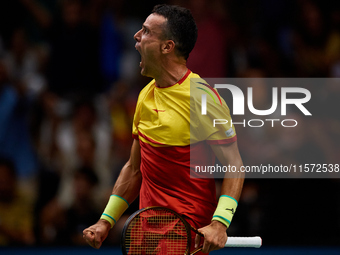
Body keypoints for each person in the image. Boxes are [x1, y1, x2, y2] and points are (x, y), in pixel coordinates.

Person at [83, 4, 244, 254]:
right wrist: (106, 220)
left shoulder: (202, 99)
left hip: (186, 235)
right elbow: (135, 169)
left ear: (167, 46)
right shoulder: (146, 94)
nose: (136, 36)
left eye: (146, 31)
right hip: (146, 234)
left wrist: (219, 223)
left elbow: (234, 165)